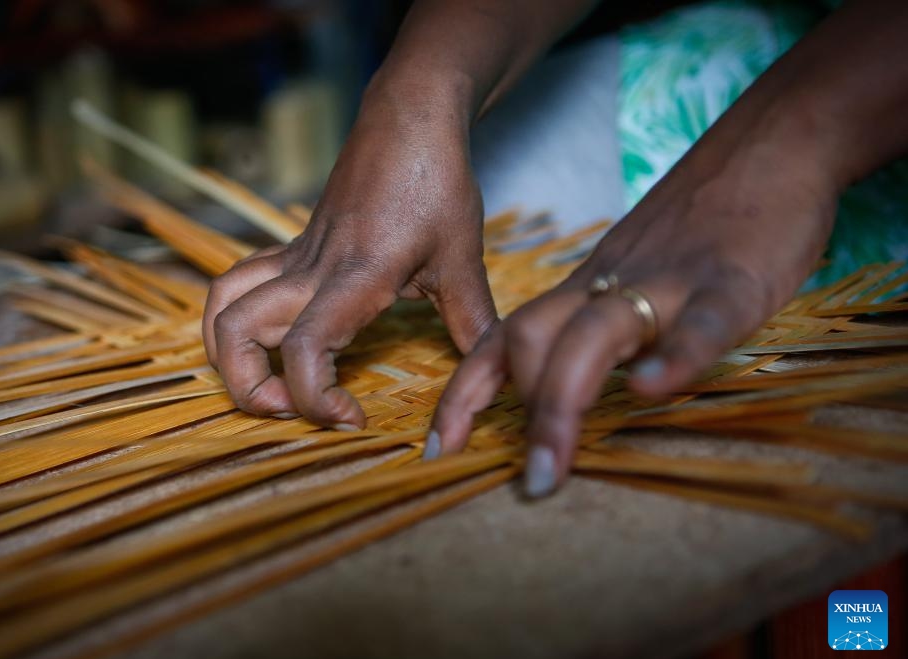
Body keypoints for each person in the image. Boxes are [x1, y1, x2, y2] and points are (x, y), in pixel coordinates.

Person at [203, 0, 908, 498]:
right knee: (497, 189)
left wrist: (776, 147)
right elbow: (424, 112)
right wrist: (412, 98)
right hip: (754, 45)